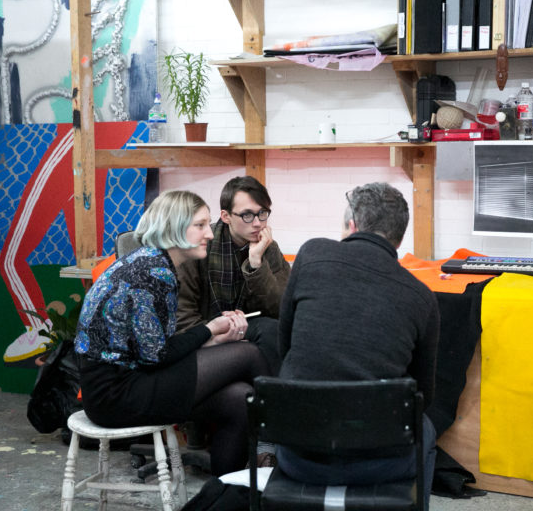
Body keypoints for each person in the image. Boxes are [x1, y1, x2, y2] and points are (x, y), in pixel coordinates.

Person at [75, 190, 269, 476]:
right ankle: (287, 446)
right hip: (116, 395)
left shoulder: (150, 261)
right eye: (200, 225)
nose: (210, 234)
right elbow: (157, 357)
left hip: (128, 381)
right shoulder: (154, 271)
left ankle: (225, 494)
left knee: (240, 399)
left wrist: (212, 337)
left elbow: (154, 349)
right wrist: (209, 329)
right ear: (174, 227)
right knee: (248, 352)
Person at [277, 182, 440, 502]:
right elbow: (423, 396)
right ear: (399, 237)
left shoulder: (311, 254)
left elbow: (286, 347)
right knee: (427, 428)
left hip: (299, 456)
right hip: (381, 462)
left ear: (352, 226)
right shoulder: (422, 297)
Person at [176, 176, 291, 376]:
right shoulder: (200, 246)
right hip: (204, 332)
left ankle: (280, 394)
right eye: (247, 215)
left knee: (274, 330)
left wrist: (256, 264)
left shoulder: (267, 247)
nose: (257, 223)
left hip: (248, 328)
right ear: (226, 216)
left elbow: (283, 309)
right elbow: (182, 317)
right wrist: (216, 332)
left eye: (262, 213)